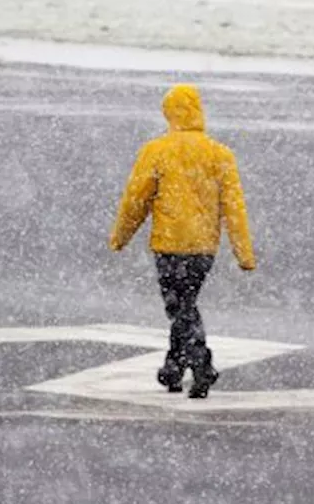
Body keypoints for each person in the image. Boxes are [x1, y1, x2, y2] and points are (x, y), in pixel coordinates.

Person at [108, 84, 256, 398]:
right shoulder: (220, 154)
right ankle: (173, 368)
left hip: (168, 245)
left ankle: (202, 365)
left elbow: (136, 200)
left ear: (169, 113)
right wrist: (244, 253)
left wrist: (121, 236)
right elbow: (234, 208)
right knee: (185, 304)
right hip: (204, 248)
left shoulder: (156, 151)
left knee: (180, 307)